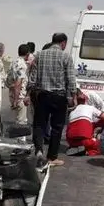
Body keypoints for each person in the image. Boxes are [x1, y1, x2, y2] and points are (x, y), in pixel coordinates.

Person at [28, 33, 76, 166]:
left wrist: (29, 92)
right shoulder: (66, 56)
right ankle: (52, 157)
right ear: (63, 43)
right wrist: (73, 96)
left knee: (39, 124)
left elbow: (32, 77)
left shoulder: (40, 55)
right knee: (57, 127)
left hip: (42, 95)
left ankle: (38, 150)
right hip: (59, 97)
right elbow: (70, 78)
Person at [5, 44, 30, 125]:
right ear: (27, 54)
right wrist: (16, 99)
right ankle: (21, 138)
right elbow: (18, 83)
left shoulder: (13, 63)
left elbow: (7, 81)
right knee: (21, 123)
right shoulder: (22, 65)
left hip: (12, 96)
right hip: (19, 97)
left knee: (18, 120)